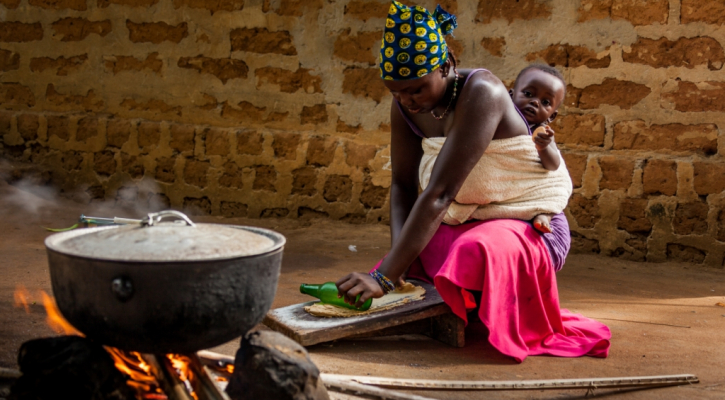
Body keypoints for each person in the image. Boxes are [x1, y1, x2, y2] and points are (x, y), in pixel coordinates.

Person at [336, 1, 610, 362]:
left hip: (531, 223)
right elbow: (402, 185)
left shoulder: (483, 92)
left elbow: (440, 193)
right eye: (396, 92)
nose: (407, 101)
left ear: (446, 65)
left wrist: (385, 277)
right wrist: (396, 267)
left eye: (416, 89)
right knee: (415, 251)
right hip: (469, 216)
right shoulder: (404, 103)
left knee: (472, 250)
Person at [509, 64, 567, 234]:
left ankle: (544, 216)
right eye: (528, 94)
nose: (535, 102)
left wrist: (544, 147)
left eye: (546, 102)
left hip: (530, 188)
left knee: (551, 196)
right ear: (510, 96)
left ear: (552, 116)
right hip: (508, 183)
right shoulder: (499, 121)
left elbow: (553, 165)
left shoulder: (541, 132)